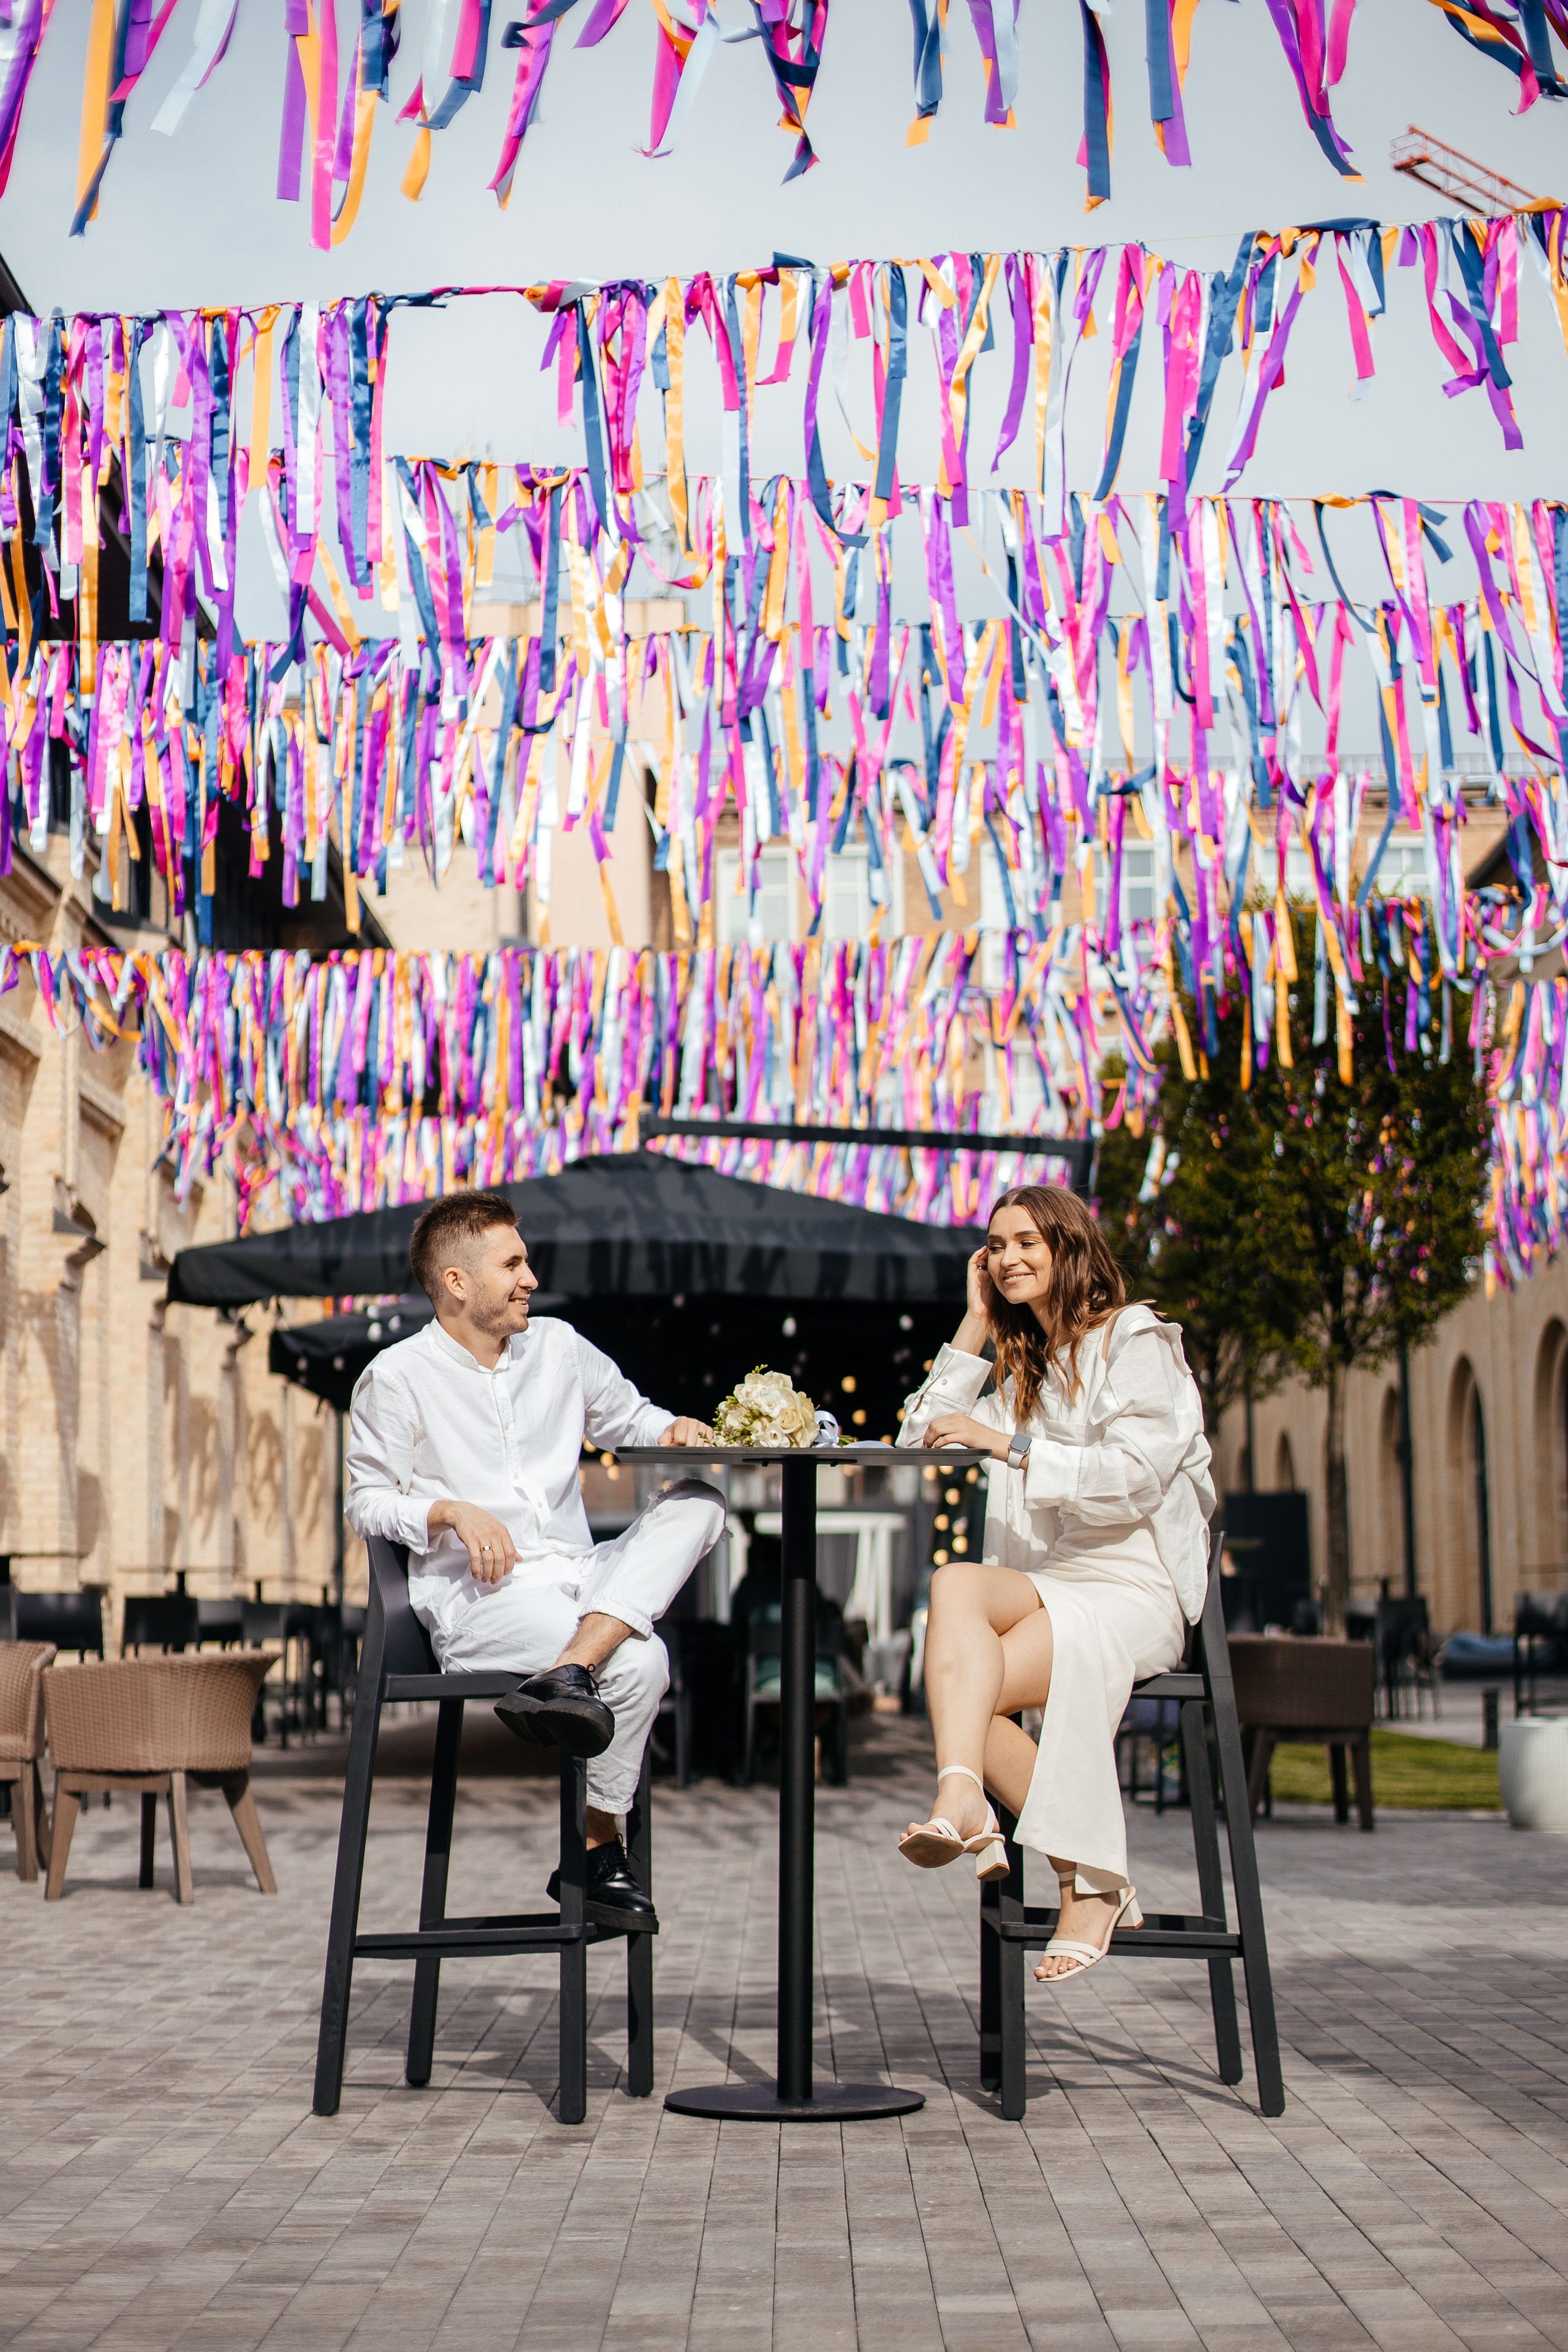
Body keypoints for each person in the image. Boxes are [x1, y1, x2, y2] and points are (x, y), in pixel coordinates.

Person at [344, 1189, 725, 1924]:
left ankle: (570, 1670)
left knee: (699, 1499)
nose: (531, 1278)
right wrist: (448, 1510)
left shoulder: (559, 1347)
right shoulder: (395, 1377)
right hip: (483, 1599)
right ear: (458, 1282)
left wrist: (671, 1428)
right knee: (644, 1662)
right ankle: (595, 1844)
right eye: (513, 1263)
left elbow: (630, 1421)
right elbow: (366, 1502)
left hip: (580, 1576)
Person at [895, 1183, 1214, 1981]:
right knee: (955, 1586)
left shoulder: (1133, 1339)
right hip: (1063, 1579)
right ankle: (967, 1793)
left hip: (1137, 1586)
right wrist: (972, 1323)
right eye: (996, 1246)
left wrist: (1007, 1448)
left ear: (1069, 1248)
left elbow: (1138, 1477)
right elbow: (915, 1443)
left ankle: (1085, 1879)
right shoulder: (1026, 1374)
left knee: (975, 1690)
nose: (1007, 1258)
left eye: (1026, 1242)